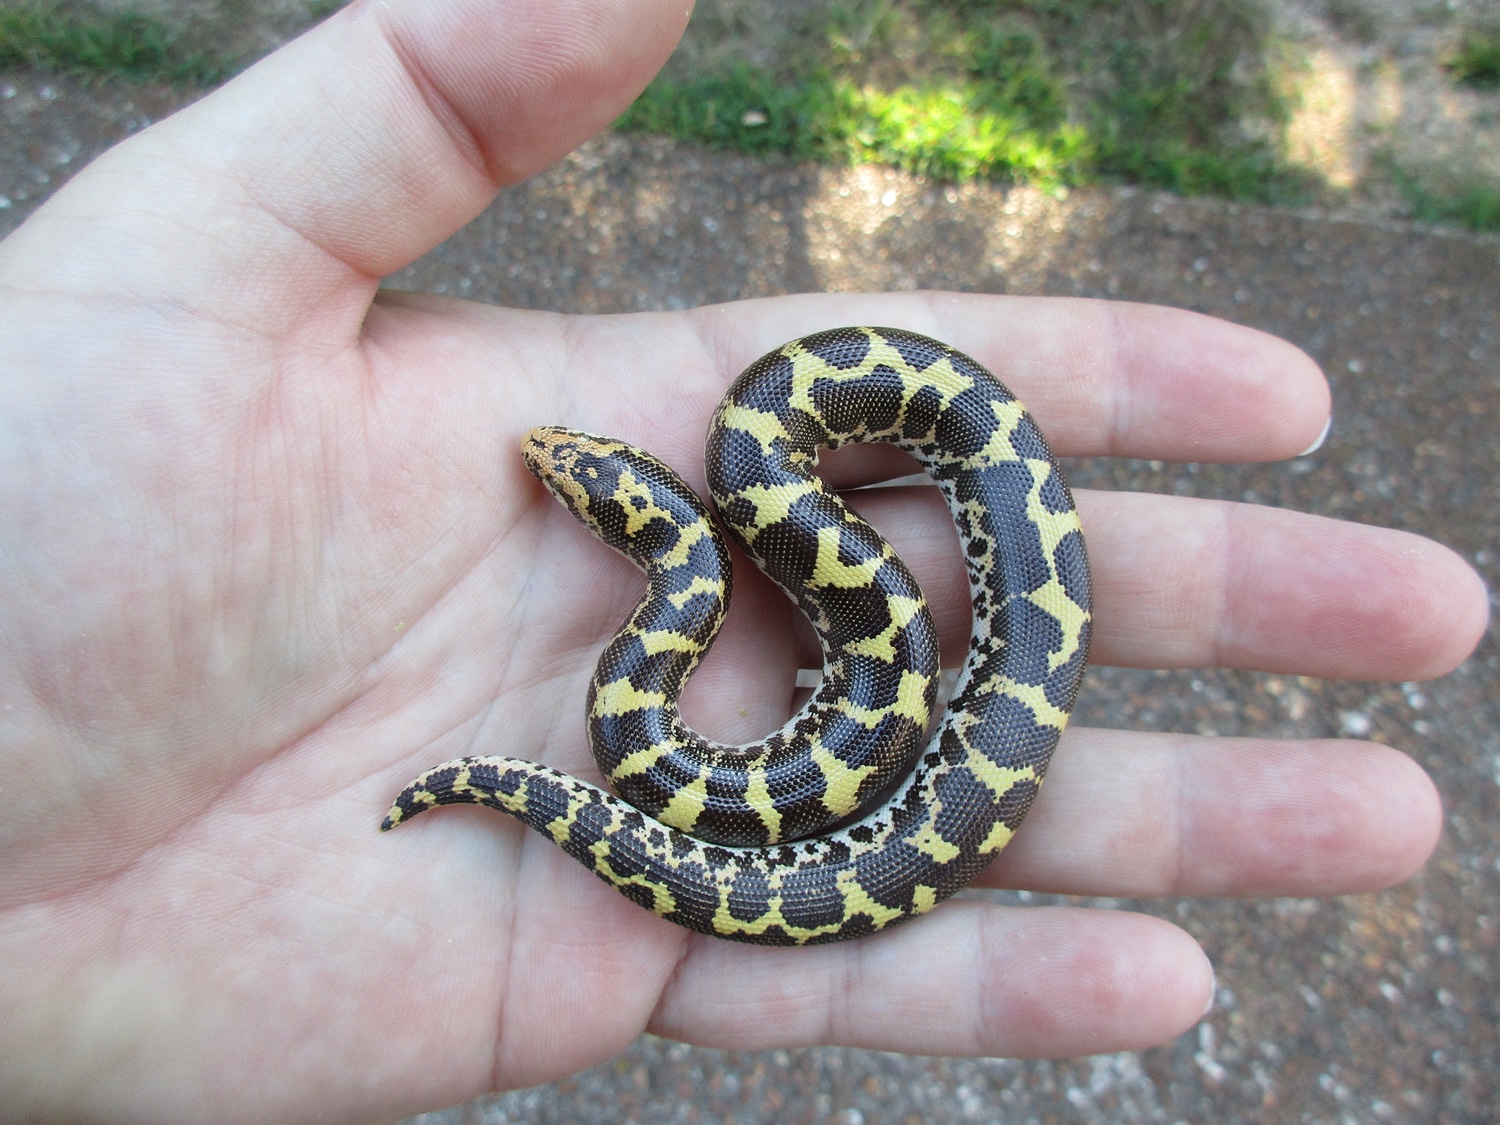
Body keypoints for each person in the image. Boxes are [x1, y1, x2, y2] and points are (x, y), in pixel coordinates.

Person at [0, 1, 1486, 1120]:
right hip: (815, 746)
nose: (559, 465)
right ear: (655, 517)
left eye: (582, 474)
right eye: (581, 476)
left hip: (825, 753)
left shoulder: (747, 495)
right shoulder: (708, 577)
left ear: (646, 510)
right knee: (839, 693)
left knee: (843, 688)